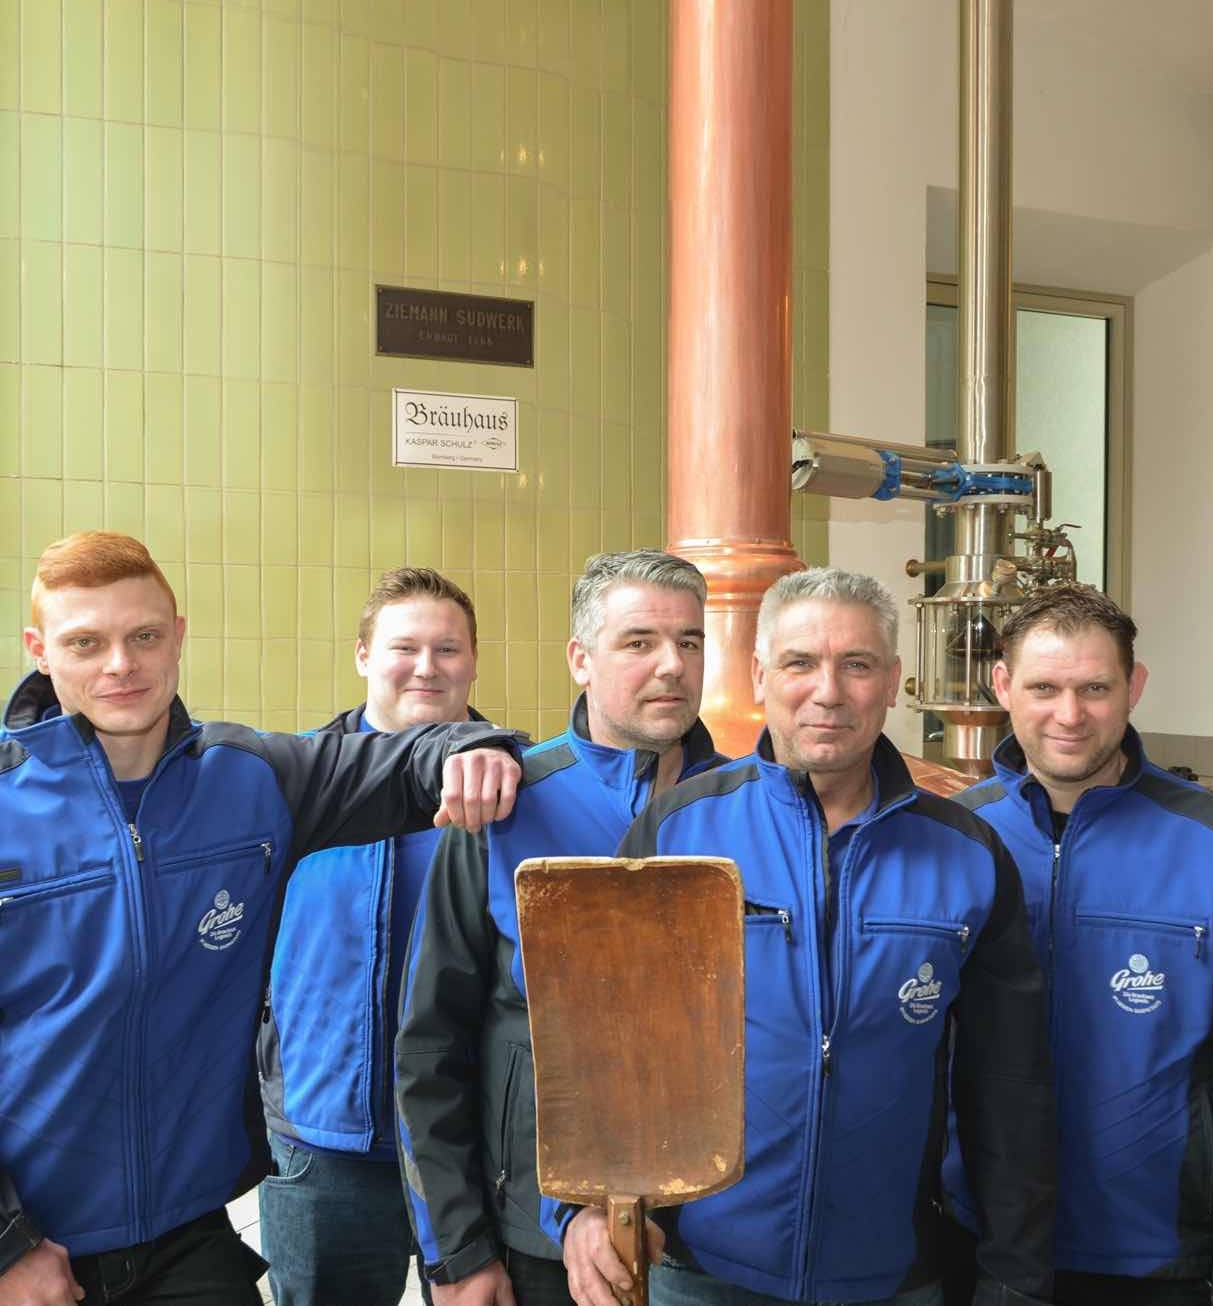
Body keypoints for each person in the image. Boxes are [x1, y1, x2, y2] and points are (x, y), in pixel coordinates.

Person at [0, 532, 521, 1306]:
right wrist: (11, 1245)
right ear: (40, 650)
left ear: (177, 637)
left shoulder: (252, 779)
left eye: (143, 636)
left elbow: (395, 761)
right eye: (87, 642)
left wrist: (475, 750)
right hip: (35, 1244)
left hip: (190, 1238)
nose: (120, 665)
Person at [558, 566, 1056, 1306]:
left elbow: (1008, 1088)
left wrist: (1015, 1274)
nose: (828, 691)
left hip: (893, 1273)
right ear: (760, 675)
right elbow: (602, 1041)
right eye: (800, 663)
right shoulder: (679, 830)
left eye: (856, 665)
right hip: (701, 1269)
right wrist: (580, 1208)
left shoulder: (967, 854)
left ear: (892, 680)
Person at [955, 584, 1213, 1306]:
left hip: (1163, 1259)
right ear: (1001, 686)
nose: (1069, 715)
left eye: (1095, 687)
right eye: (1044, 687)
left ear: (1135, 686)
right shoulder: (954, 840)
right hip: (981, 1247)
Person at [395, 551, 725, 1306]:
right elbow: (428, 1046)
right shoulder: (503, 808)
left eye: (691, 641)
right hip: (532, 1242)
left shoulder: (749, 812)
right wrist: (458, 1254)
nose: (672, 665)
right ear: (580, 658)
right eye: (638, 642)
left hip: (712, 1244)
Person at [258, 568, 493, 1306]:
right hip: (322, 1139)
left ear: (474, 660)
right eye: (404, 647)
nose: (427, 667)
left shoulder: (514, 795)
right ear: (363, 655)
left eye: (448, 649)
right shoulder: (287, 789)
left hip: (472, 1141)